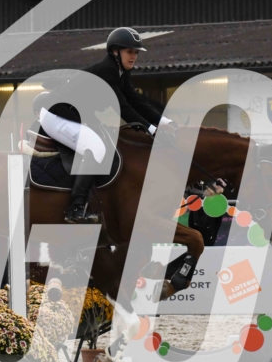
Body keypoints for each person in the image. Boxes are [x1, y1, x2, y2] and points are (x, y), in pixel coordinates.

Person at [38, 27, 177, 224]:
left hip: (76, 115)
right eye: (129, 51)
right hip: (56, 115)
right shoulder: (107, 71)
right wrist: (152, 130)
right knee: (95, 147)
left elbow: (136, 100)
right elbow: (122, 107)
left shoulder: (121, 72)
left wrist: (165, 123)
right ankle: (76, 208)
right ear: (115, 51)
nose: (134, 56)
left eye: (136, 52)